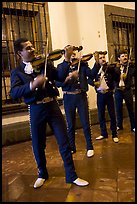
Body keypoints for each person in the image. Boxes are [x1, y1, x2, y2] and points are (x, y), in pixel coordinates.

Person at [10, 38, 89, 189]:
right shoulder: (17, 72)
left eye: (32, 46)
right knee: (38, 144)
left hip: (52, 106)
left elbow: (59, 76)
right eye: (28, 48)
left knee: (64, 141)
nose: (33, 49)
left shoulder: (46, 63)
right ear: (20, 53)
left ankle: (72, 175)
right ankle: (42, 174)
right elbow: (14, 92)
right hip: (35, 108)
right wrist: (32, 85)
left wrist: (66, 60)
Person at [55, 45, 95, 158]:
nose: (73, 55)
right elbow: (58, 83)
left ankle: (90, 147)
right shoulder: (61, 66)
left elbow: (92, 75)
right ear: (65, 54)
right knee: (70, 124)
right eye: (70, 53)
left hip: (81, 96)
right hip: (68, 97)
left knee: (85, 123)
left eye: (74, 53)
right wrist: (67, 80)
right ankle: (72, 147)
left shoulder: (82, 65)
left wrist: (97, 64)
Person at [88, 51, 119, 143]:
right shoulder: (95, 68)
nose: (103, 59)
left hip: (109, 94)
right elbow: (89, 78)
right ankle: (103, 133)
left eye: (104, 57)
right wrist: (94, 83)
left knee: (112, 114)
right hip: (100, 94)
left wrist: (115, 69)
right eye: (101, 58)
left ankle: (114, 134)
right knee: (101, 115)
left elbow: (117, 78)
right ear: (98, 59)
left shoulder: (109, 68)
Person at [114, 49, 135, 132]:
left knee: (131, 109)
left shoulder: (130, 67)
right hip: (118, 90)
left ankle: (133, 126)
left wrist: (132, 66)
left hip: (127, 90)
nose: (125, 57)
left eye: (126, 56)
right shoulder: (116, 68)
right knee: (118, 109)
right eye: (123, 56)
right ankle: (119, 125)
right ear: (119, 58)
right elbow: (113, 77)